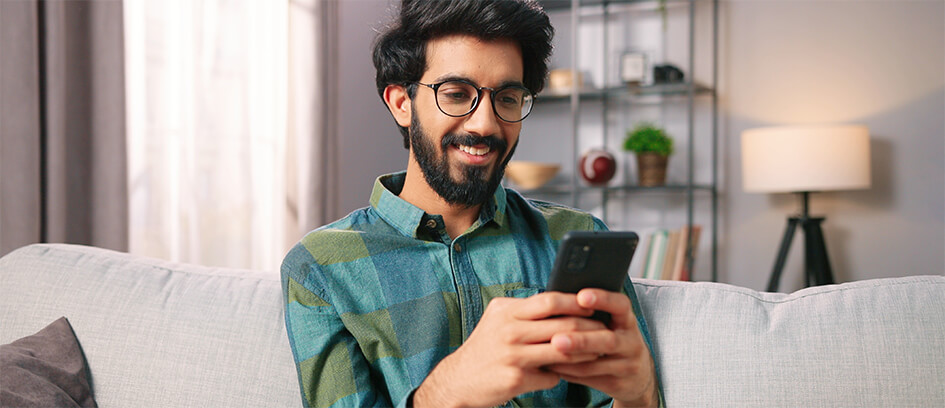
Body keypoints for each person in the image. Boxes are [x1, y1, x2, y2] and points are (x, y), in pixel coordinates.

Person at [281, 0, 662, 406]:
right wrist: (448, 392)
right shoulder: (319, 269)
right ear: (401, 103)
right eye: (457, 94)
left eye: (508, 98)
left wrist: (639, 394)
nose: (485, 124)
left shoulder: (577, 238)